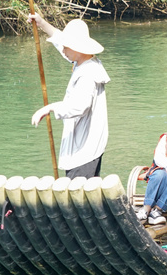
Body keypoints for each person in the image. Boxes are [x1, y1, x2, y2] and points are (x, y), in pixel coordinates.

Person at [28, 14, 109, 178]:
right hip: (86, 146)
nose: (62, 50)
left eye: (66, 46)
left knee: (78, 194)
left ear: (77, 49)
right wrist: (41, 23)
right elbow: (60, 42)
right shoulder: (83, 62)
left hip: (84, 150)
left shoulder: (88, 74)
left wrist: (48, 108)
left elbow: (79, 106)